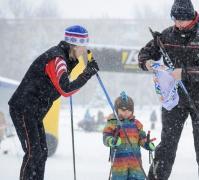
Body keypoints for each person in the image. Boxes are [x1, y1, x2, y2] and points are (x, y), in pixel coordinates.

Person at [138, 0, 199, 179]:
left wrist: (184, 73)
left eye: (181, 20)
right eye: (174, 19)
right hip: (174, 98)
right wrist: (147, 63)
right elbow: (144, 53)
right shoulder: (168, 35)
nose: (177, 24)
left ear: (191, 17)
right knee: (166, 146)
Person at [8, 25, 99, 180]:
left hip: (34, 111)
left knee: (42, 151)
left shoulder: (66, 58)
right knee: (33, 152)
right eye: (83, 47)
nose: (84, 51)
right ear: (74, 45)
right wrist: (87, 74)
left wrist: (84, 71)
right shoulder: (57, 59)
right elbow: (65, 89)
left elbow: (62, 85)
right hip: (23, 108)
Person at [103, 92, 156, 180]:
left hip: (135, 162)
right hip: (119, 162)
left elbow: (142, 138)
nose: (126, 112)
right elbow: (105, 137)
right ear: (117, 110)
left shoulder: (137, 124)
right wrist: (112, 140)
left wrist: (147, 143)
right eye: (123, 110)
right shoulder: (112, 123)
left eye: (129, 110)